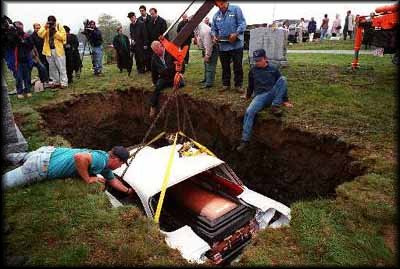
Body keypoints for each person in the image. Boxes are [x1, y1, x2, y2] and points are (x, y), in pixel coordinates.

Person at [2, 145, 135, 196]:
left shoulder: (103, 161)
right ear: (116, 159)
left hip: (47, 152)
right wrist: (88, 179)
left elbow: (112, 180)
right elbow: (79, 157)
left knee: (9, 157)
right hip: (41, 166)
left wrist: (128, 191)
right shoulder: (101, 160)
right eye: (121, 164)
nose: (120, 167)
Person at [236, 49, 293, 152]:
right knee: (249, 112)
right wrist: (248, 96)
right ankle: (245, 140)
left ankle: (275, 106)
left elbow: (281, 85)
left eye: (259, 60)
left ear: (265, 59)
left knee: (283, 79)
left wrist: (285, 100)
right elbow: (251, 86)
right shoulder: (253, 71)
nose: (257, 62)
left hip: (272, 93)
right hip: (260, 96)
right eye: (255, 60)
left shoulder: (274, 69)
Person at [211, 0, 247, 93]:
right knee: (225, 66)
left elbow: (242, 24)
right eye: (218, 5)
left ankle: (238, 85)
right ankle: (226, 84)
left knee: (237, 65)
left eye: (222, 4)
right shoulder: (216, 16)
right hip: (223, 46)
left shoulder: (236, 9)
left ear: (226, 2)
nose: (220, 7)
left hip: (236, 45)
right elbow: (213, 29)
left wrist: (236, 33)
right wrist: (214, 36)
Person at [149, 40, 185, 118]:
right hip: (164, 77)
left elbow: (181, 61)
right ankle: (153, 106)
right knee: (158, 87)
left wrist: (181, 72)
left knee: (181, 83)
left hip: (174, 75)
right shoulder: (154, 57)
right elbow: (154, 71)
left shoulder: (170, 51)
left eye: (156, 50)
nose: (156, 52)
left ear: (161, 46)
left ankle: (170, 85)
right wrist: (155, 82)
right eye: (154, 51)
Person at [4, 21, 34, 99]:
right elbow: (10, 42)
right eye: (16, 26)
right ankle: (19, 92)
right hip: (18, 61)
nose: (18, 27)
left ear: (22, 26)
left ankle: (28, 91)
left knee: (27, 77)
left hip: (26, 59)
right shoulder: (13, 36)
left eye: (19, 26)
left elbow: (31, 46)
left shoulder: (27, 36)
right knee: (19, 77)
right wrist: (12, 32)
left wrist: (23, 42)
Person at [38, 15, 68, 88]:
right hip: (48, 51)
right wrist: (45, 27)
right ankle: (55, 82)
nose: (51, 23)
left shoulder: (59, 26)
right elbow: (40, 35)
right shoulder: (46, 27)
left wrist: (55, 32)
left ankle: (64, 83)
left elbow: (63, 37)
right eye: (49, 21)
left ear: (55, 21)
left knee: (61, 67)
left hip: (58, 50)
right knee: (52, 68)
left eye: (52, 21)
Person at [196, 19, 218, 89]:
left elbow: (208, 44)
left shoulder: (204, 30)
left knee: (210, 65)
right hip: (206, 47)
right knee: (206, 64)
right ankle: (206, 79)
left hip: (211, 47)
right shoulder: (198, 27)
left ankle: (209, 83)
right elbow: (199, 38)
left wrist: (207, 55)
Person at [138, 5, 153, 72]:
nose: (141, 12)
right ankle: (144, 68)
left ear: (145, 10)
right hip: (142, 41)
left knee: (150, 54)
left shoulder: (151, 18)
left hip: (151, 39)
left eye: (142, 11)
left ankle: (150, 67)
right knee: (143, 55)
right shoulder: (138, 19)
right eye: (140, 11)